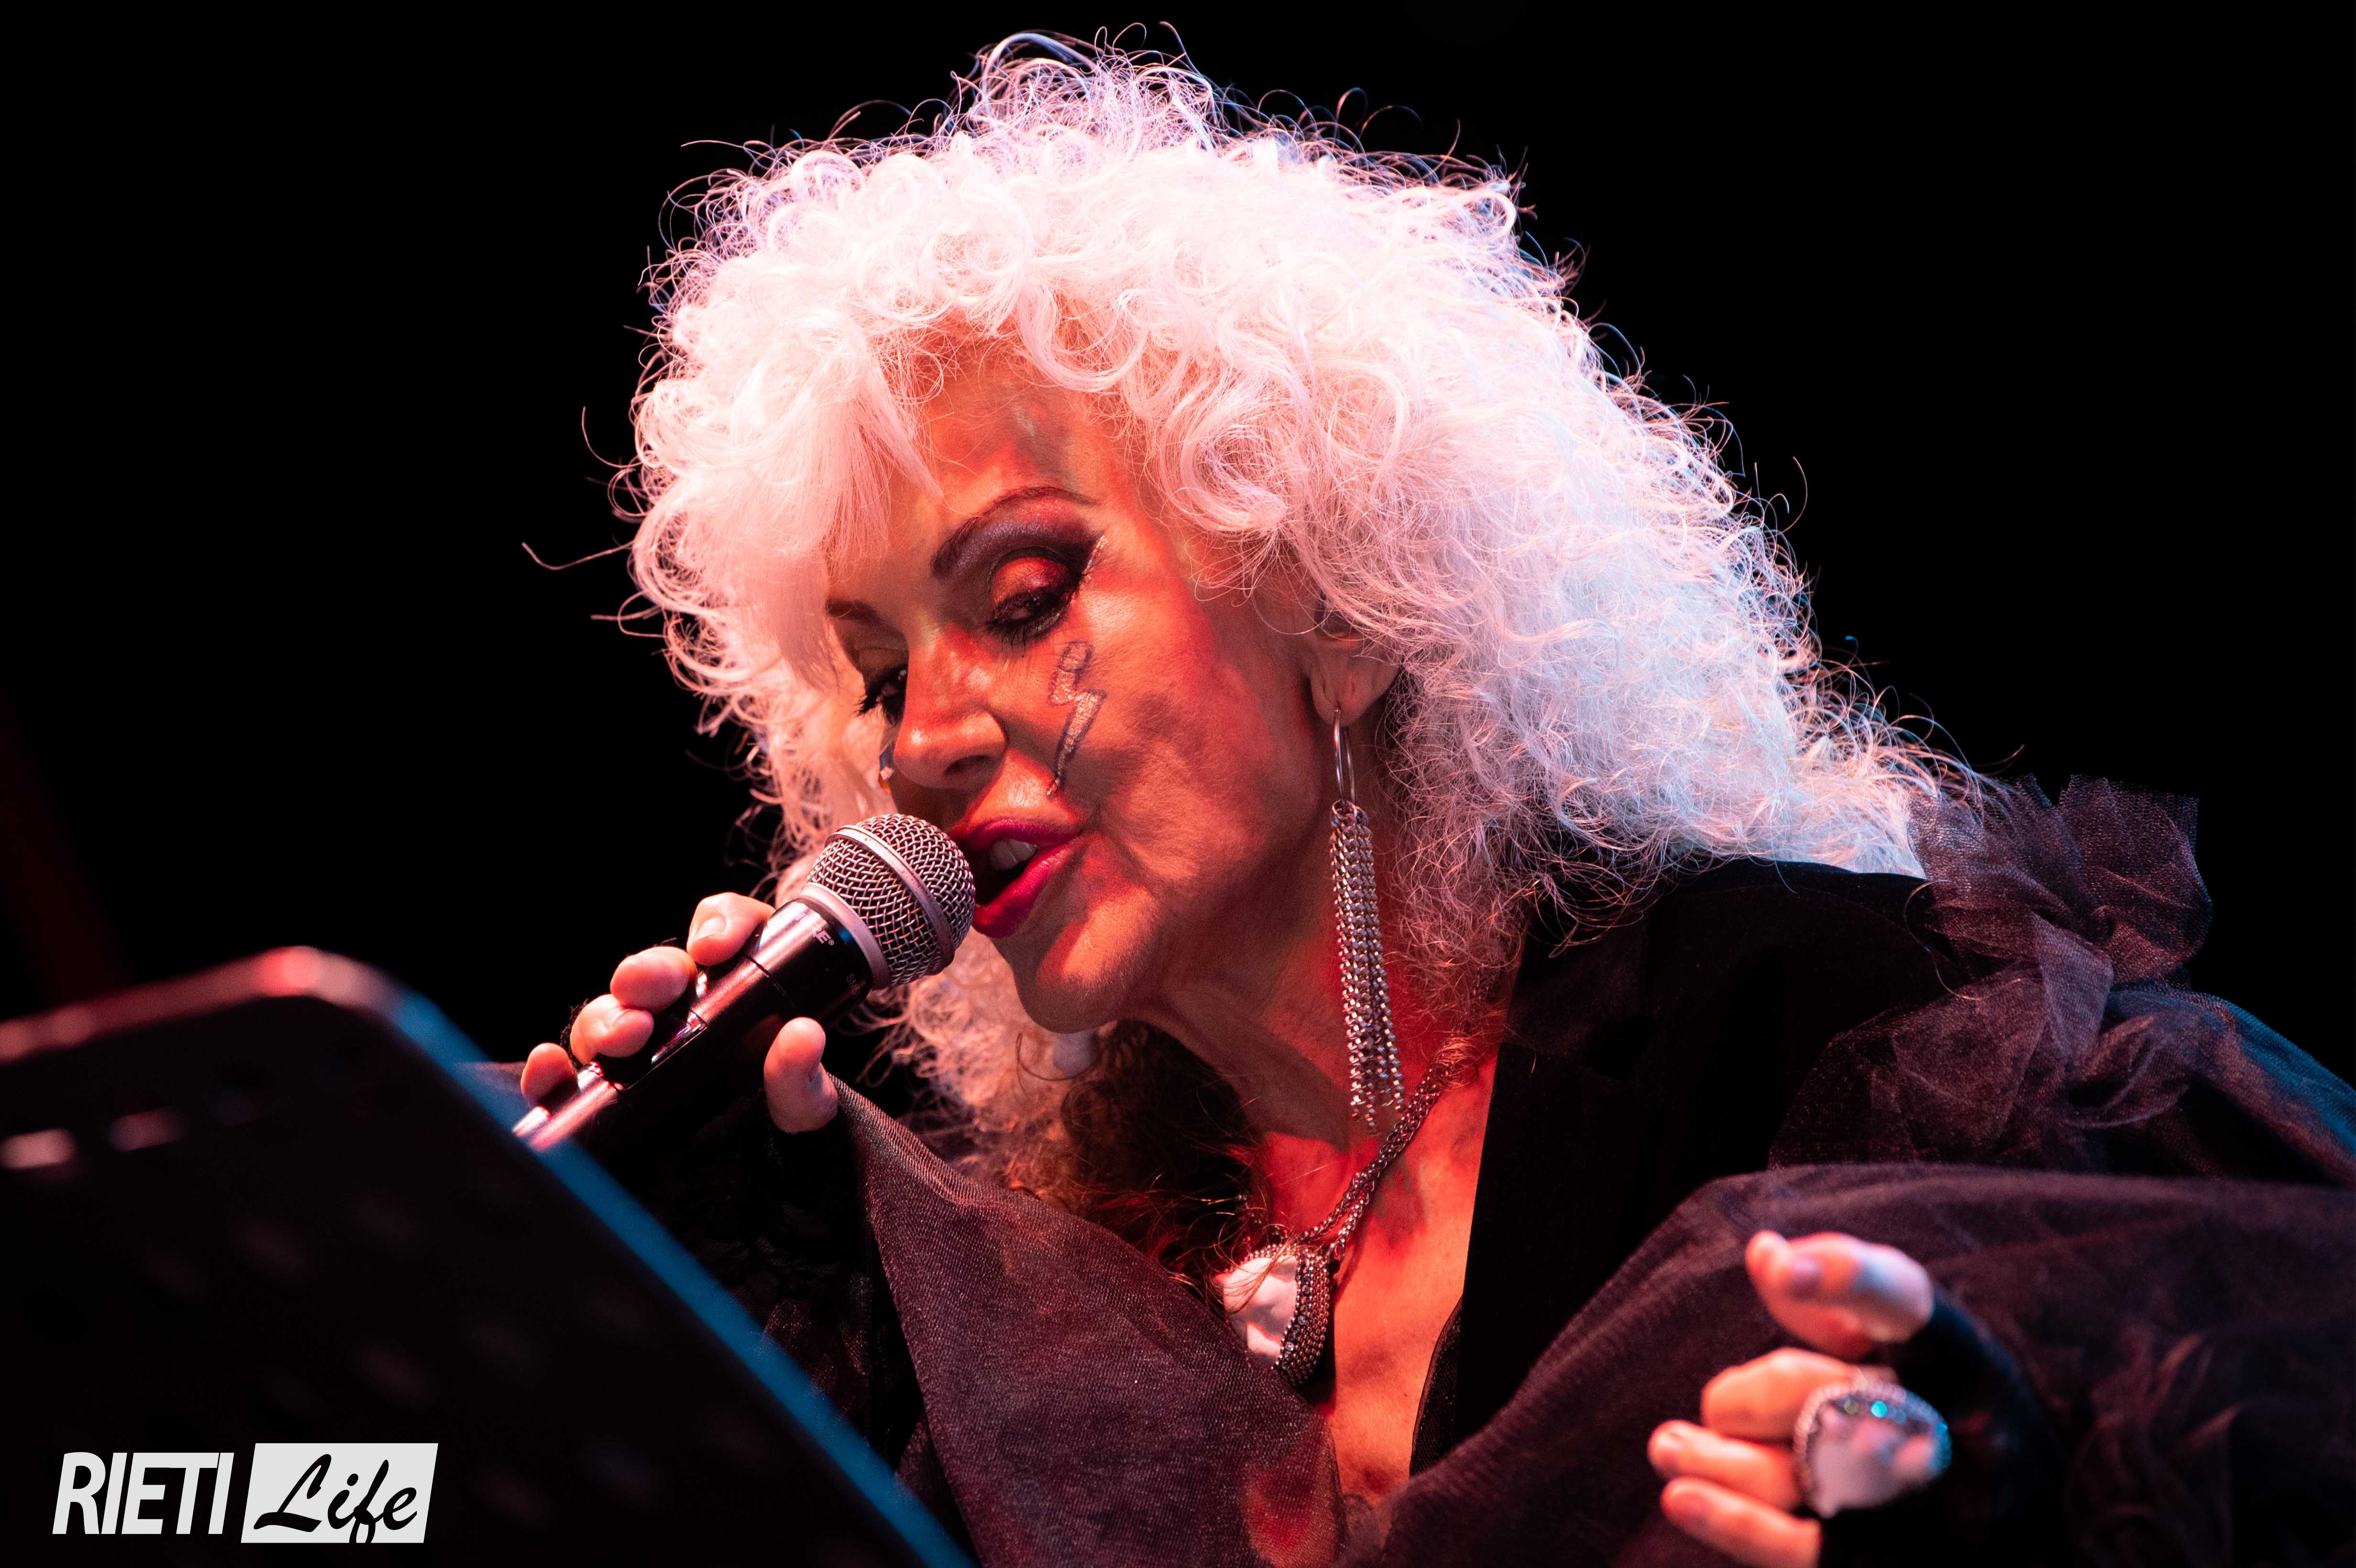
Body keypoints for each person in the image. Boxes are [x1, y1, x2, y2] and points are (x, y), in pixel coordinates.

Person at [508, 40, 2354, 1566]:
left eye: (1024, 597)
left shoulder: (1814, 1033)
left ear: (1331, 604)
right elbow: (378, 1499)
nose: (920, 743)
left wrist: (2020, 1485)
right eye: (876, 677)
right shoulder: (1055, 1289)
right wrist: (735, 1317)